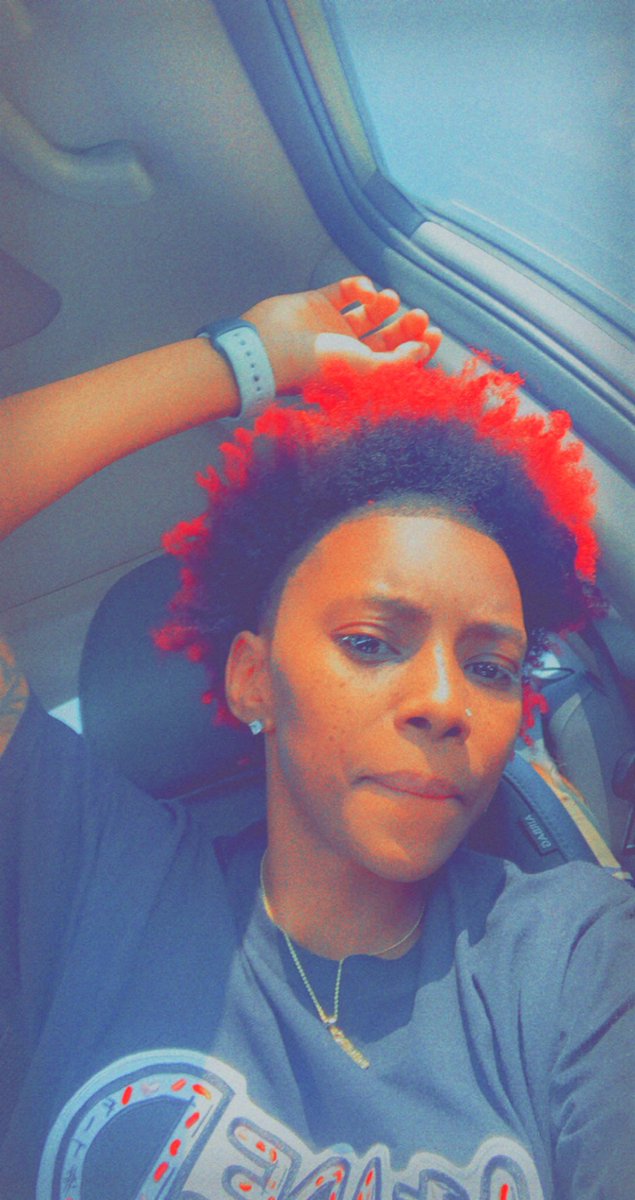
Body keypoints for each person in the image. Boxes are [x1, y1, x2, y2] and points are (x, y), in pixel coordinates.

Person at [0, 277, 633, 1199]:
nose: (445, 702)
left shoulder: (573, 950)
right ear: (252, 676)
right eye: (371, 643)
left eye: (492, 666)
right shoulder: (94, 873)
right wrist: (248, 356)